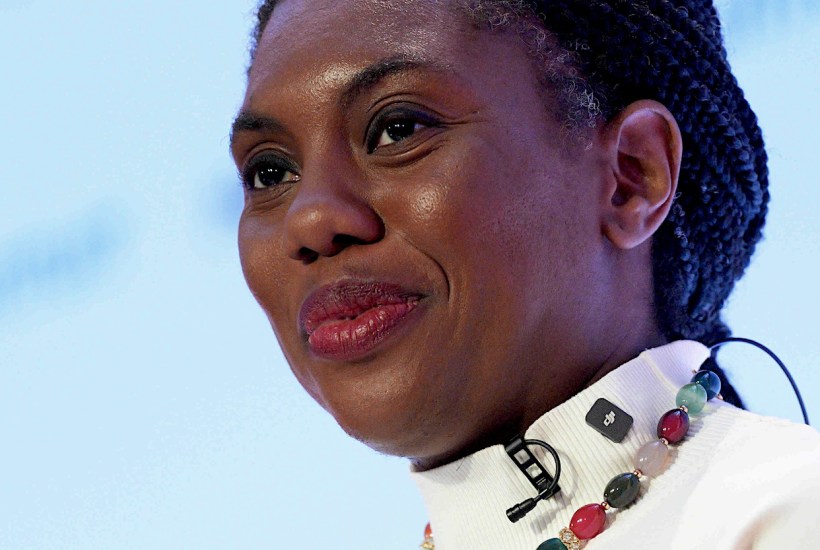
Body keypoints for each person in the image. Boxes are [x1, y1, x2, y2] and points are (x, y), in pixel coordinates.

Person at [229, 0, 820, 548]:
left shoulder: (786, 512)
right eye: (270, 173)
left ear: (631, 176)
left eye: (399, 129)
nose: (309, 220)